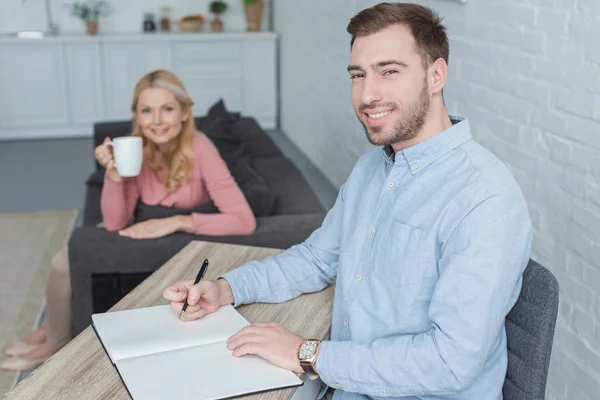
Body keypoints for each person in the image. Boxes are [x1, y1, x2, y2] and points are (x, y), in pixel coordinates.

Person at [168, 3, 533, 399]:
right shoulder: (371, 169)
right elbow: (317, 259)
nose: (368, 94)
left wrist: (306, 353)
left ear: (436, 75)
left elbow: (450, 362)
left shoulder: (484, 197)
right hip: (340, 385)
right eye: (358, 75)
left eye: (389, 71)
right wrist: (226, 289)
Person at [2, 69, 256, 371]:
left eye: (168, 109)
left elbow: (244, 220)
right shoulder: (135, 148)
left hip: (172, 230)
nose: (157, 121)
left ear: (186, 112)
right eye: (147, 110)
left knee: (65, 264)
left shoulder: (200, 147)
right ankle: (53, 332)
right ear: (136, 115)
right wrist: (113, 175)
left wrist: (178, 221)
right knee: (62, 262)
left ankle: (53, 336)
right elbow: (114, 222)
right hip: (138, 223)